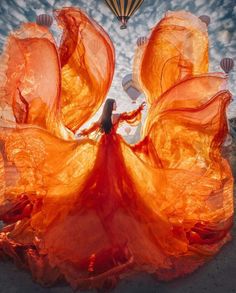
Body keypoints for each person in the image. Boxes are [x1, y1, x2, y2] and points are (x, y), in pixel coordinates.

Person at [77, 99, 146, 137]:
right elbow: (130, 117)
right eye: (115, 104)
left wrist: (84, 133)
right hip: (114, 141)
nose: (116, 106)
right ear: (111, 106)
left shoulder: (103, 117)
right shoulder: (118, 116)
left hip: (104, 142)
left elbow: (94, 127)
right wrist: (139, 109)